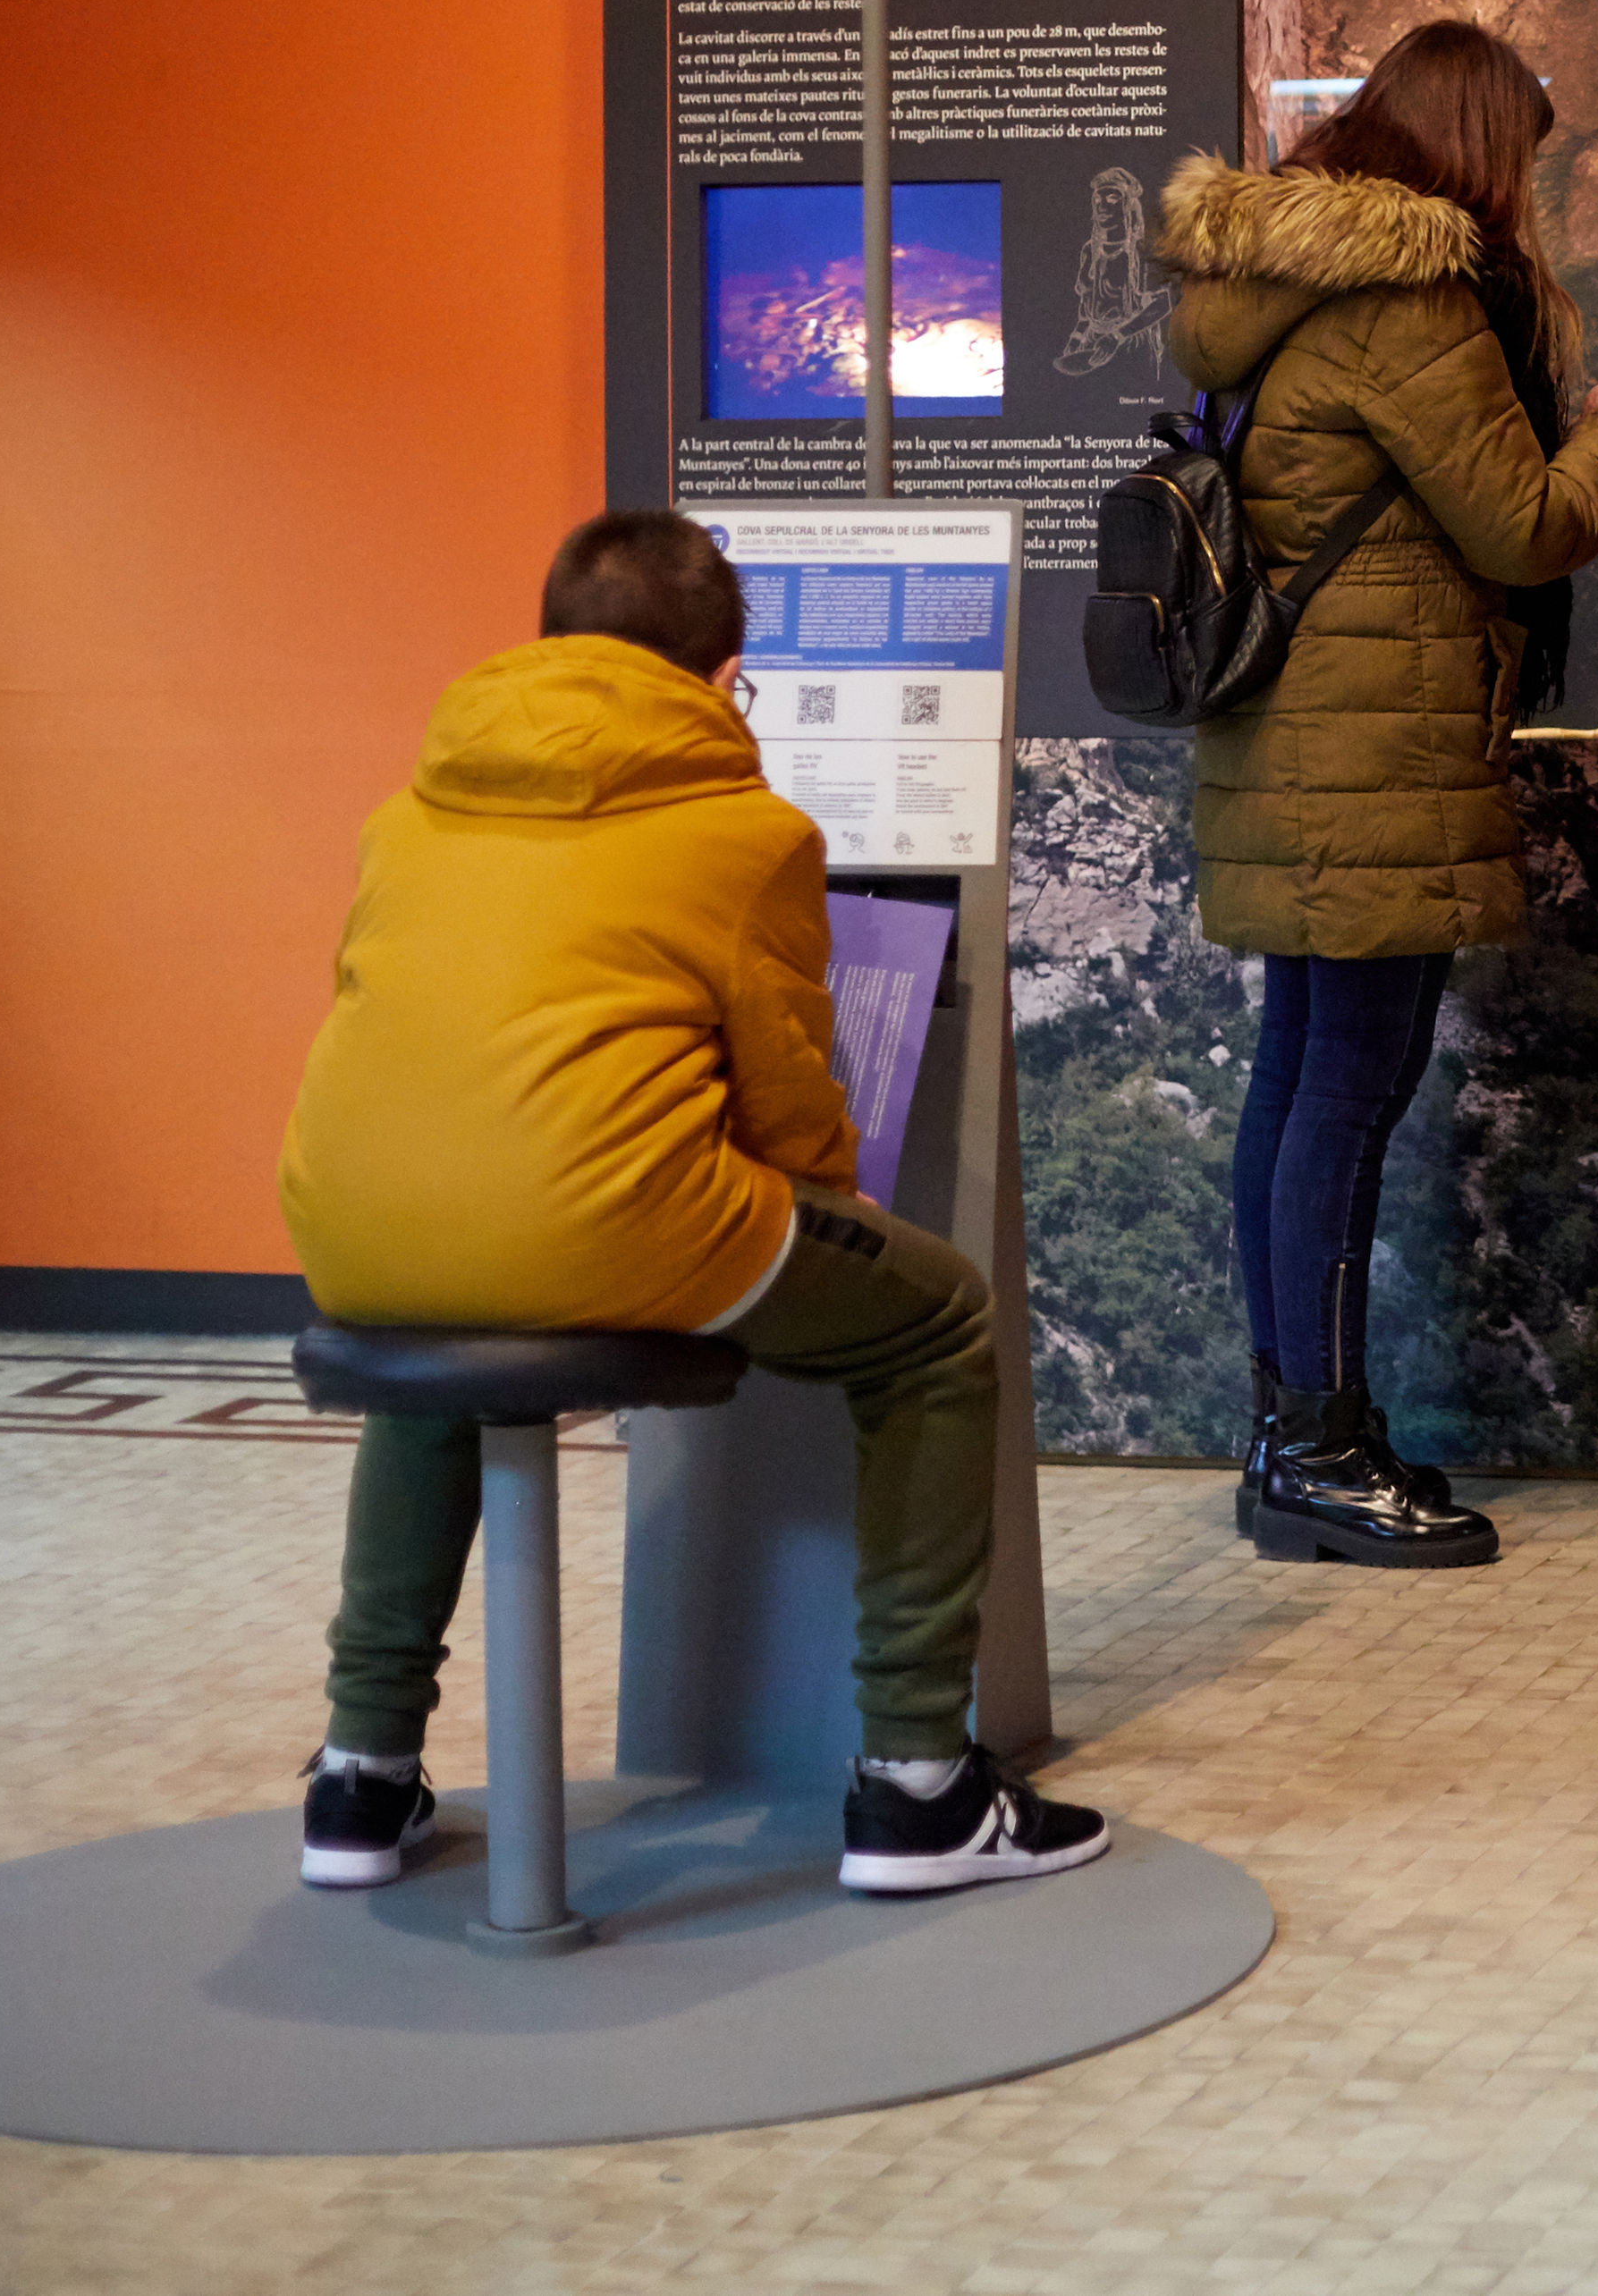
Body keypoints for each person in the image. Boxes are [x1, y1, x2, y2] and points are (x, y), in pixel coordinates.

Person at [281, 512, 1106, 1896]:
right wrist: (829, 1215)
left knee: (444, 1329)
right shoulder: (746, 830)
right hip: (612, 1218)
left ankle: (358, 1773)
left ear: (550, 649)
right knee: (939, 1322)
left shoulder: (407, 813)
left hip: (351, 1225)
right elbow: (786, 1095)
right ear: (726, 678)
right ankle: (919, 1783)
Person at [1163, 18, 1598, 1569]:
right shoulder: (1409, 301)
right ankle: (1321, 1451)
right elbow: (1520, 527)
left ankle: (1287, 1428)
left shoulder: (1270, 286)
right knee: (1349, 1091)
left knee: (1296, 1077)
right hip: (1372, 754)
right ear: (1479, 151)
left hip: (1284, 739)